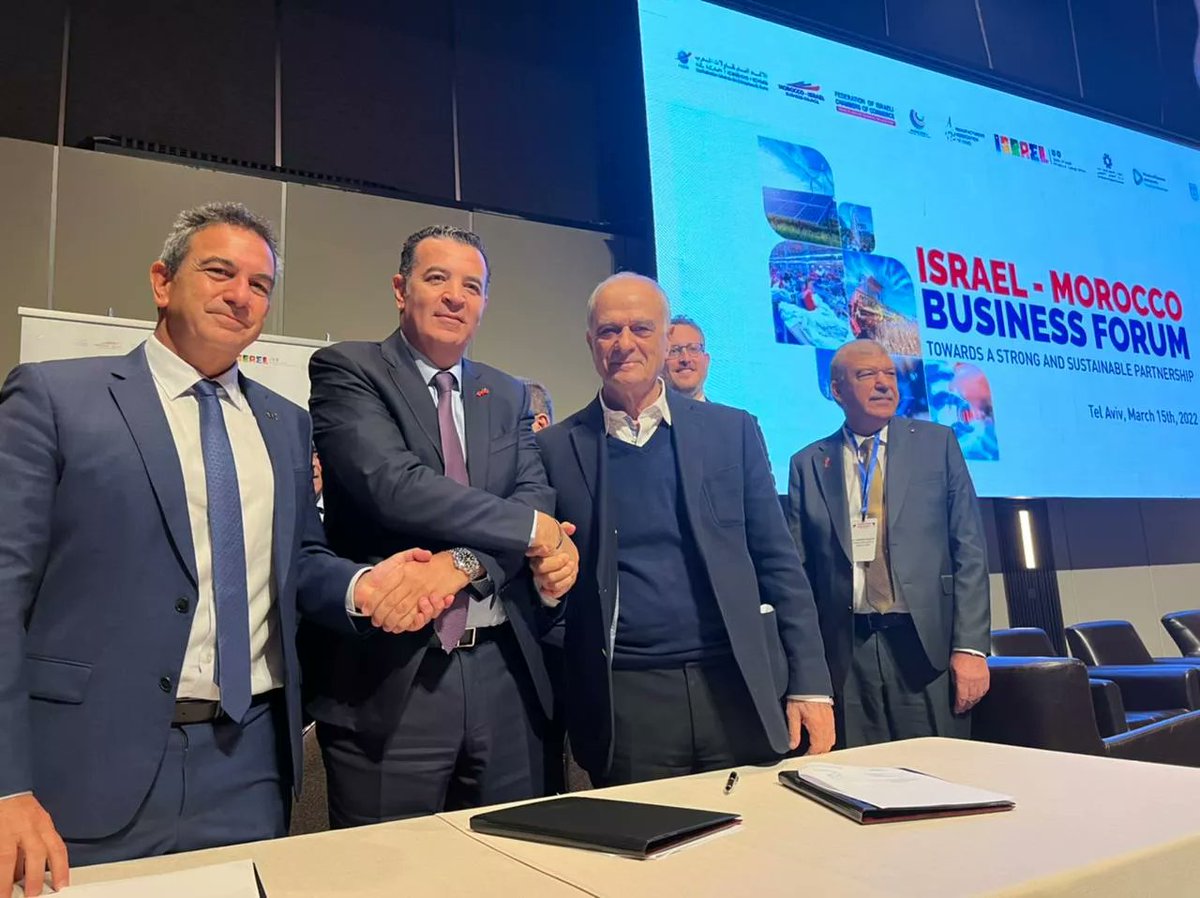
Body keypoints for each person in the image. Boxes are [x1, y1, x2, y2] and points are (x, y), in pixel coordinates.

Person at [0, 202, 434, 895]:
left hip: (248, 765)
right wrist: (6, 785)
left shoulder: (287, 425)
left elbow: (299, 562)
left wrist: (363, 587)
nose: (240, 295)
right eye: (219, 272)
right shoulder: (55, 398)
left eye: (260, 284)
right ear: (162, 281)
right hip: (83, 766)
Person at [302, 224, 579, 826]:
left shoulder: (506, 393)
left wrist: (464, 563)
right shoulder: (349, 369)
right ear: (401, 289)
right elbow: (395, 487)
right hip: (391, 679)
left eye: (472, 286)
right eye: (437, 279)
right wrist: (534, 530)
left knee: (517, 859)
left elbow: (535, 494)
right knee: (390, 866)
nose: (456, 296)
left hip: (506, 675)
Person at [533, 272, 834, 787]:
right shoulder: (555, 449)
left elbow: (778, 563)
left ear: (666, 337)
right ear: (590, 342)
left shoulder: (732, 431)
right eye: (608, 331)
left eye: (641, 328)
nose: (624, 343)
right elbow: (548, 578)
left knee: (755, 835)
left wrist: (810, 684)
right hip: (627, 700)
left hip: (736, 686)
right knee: (649, 838)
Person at [787, 339, 990, 748]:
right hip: (848, 650)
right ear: (837, 390)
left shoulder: (937, 444)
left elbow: (968, 548)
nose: (883, 383)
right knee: (860, 772)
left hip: (924, 644)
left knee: (938, 769)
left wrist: (971, 648)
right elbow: (798, 575)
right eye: (867, 375)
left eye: (889, 374)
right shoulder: (808, 463)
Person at [664, 315, 709, 401]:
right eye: (674, 351)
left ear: (706, 361)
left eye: (693, 349)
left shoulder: (726, 411)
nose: (685, 359)